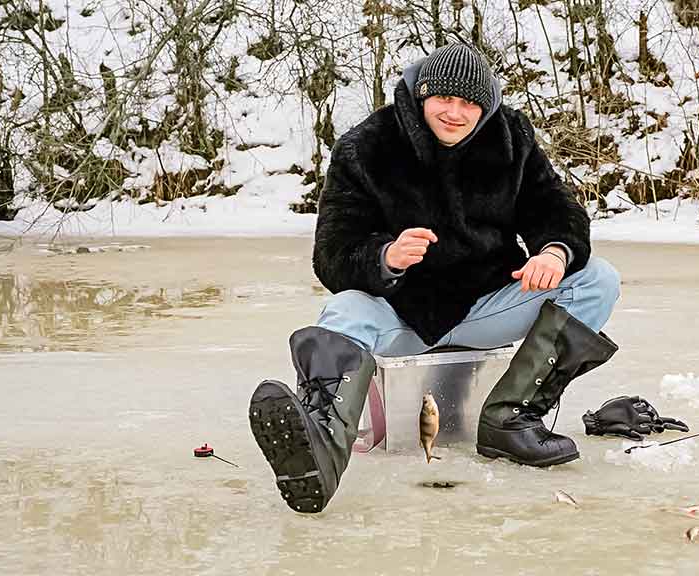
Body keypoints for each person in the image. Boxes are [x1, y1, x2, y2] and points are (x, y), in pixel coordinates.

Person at [248, 43, 621, 514]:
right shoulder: (366, 147)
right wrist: (385, 257)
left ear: (485, 109)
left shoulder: (511, 137)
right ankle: (322, 441)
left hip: (487, 306)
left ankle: (511, 417)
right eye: (444, 99)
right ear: (420, 96)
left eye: (469, 103)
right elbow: (331, 256)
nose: (455, 112)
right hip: (399, 317)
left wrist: (554, 251)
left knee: (598, 279)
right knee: (343, 309)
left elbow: (557, 208)